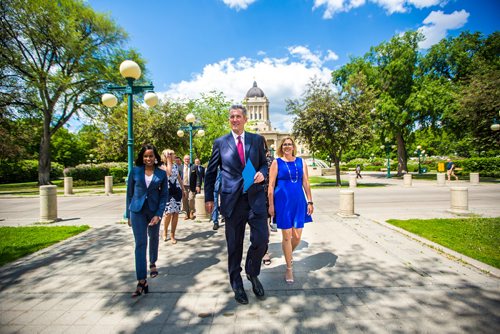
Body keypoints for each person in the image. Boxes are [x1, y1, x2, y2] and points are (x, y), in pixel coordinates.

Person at [204, 104, 268, 305]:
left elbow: (264, 164)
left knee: (262, 240)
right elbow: (211, 171)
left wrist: (262, 174)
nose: (234, 119)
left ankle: (252, 272)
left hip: (255, 198)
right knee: (234, 246)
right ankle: (236, 283)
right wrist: (209, 198)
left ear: (245, 119)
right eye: (231, 116)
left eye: (238, 116)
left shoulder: (256, 140)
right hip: (232, 201)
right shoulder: (220, 143)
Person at [268, 136, 313, 285]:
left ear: (293, 146)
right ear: (281, 147)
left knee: (297, 236)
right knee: (287, 236)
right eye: (285, 144)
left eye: (290, 144)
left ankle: (287, 253)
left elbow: (306, 182)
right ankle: (289, 267)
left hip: (299, 201)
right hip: (282, 202)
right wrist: (271, 204)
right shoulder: (276, 162)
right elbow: (271, 185)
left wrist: (310, 201)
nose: (287, 146)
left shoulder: (301, 162)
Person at [126, 144, 168, 297]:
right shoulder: (135, 171)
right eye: (145, 156)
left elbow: (164, 196)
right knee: (140, 244)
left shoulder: (161, 174)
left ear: (155, 157)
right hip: (137, 211)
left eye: (151, 156)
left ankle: (152, 262)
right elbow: (129, 194)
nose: (148, 158)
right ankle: (141, 280)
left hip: (153, 212)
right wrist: (128, 214)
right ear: (142, 158)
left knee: (154, 237)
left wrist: (158, 214)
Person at [159, 149, 185, 244]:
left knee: (176, 213)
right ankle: (165, 231)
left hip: (177, 191)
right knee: (168, 213)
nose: (174, 156)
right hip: (168, 191)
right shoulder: (161, 166)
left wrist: (183, 189)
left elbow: (178, 177)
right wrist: (168, 159)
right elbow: (168, 173)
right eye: (171, 154)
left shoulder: (175, 166)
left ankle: (173, 234)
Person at [262, 139, 275, 266]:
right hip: (253, 197)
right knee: (257, 228)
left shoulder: (271, 160)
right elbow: (246, 178)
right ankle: (259, 249)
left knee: (265, 226)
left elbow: (275, 180)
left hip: (267, 196)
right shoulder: (250, 159)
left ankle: (265, 252)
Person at [179, 155, 200, 220]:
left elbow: (198, 176)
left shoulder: (194, 166)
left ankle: (191, 212)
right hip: (183, 186)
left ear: (189, 159)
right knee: (184, 200)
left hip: (192, 186)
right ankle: (186, 213)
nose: (187, 160)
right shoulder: (180, 167)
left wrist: (198, 185)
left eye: (188, 159)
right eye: (185, 159)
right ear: (183, 160)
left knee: (191, 199)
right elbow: (178, 177)